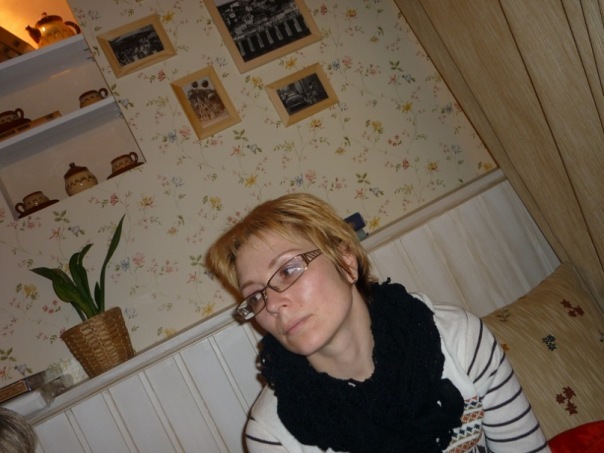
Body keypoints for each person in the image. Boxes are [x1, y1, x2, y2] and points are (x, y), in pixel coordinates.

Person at [206, 193, 550, 452]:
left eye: (287, 270)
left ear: (346, 262)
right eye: (256, 297)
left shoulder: (460, 342)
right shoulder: (273, 436)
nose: (273, 305)